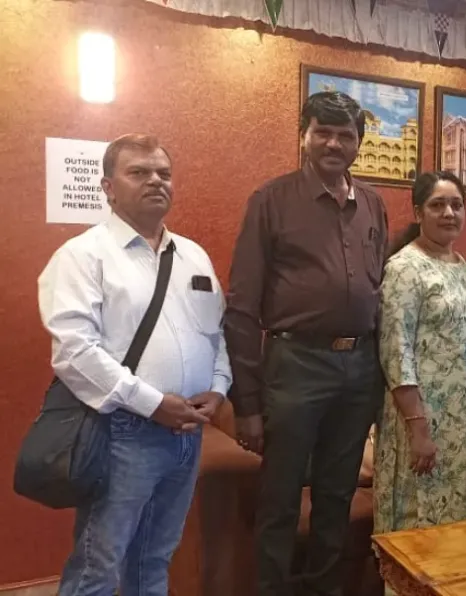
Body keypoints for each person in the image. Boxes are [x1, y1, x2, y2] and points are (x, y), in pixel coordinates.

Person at [41, 134, 230, 595]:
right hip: (123, 432)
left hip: (186, 434)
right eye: (139, 172)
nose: (155, 181)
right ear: (108, 186)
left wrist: (220, 386)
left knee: (154, 558)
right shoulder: (82, 256)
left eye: (163, 174)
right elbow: (74, 353)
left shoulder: (193, 255)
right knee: (98, 566)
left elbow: (217, 333)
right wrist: (150, 403)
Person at [225, 91, 388, 596]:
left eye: (345, 135)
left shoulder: (374, 205)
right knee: (279, 499)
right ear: (305, 136)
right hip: (295, 366)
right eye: (323, 132)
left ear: (359, 143)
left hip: (359, 368)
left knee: (336, 498)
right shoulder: (271, 201)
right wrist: (247, 404)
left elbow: (378, 291)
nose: (334, 143)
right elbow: (241, 306)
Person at [374, 172, 466, 555]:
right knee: (421, 532)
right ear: (417, 211)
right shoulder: (404, 268)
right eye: (437, 205)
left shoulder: (461, 264)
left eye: (456, 205)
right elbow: (396, 351)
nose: (448, 213)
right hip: (424, 420)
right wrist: (418, 428)